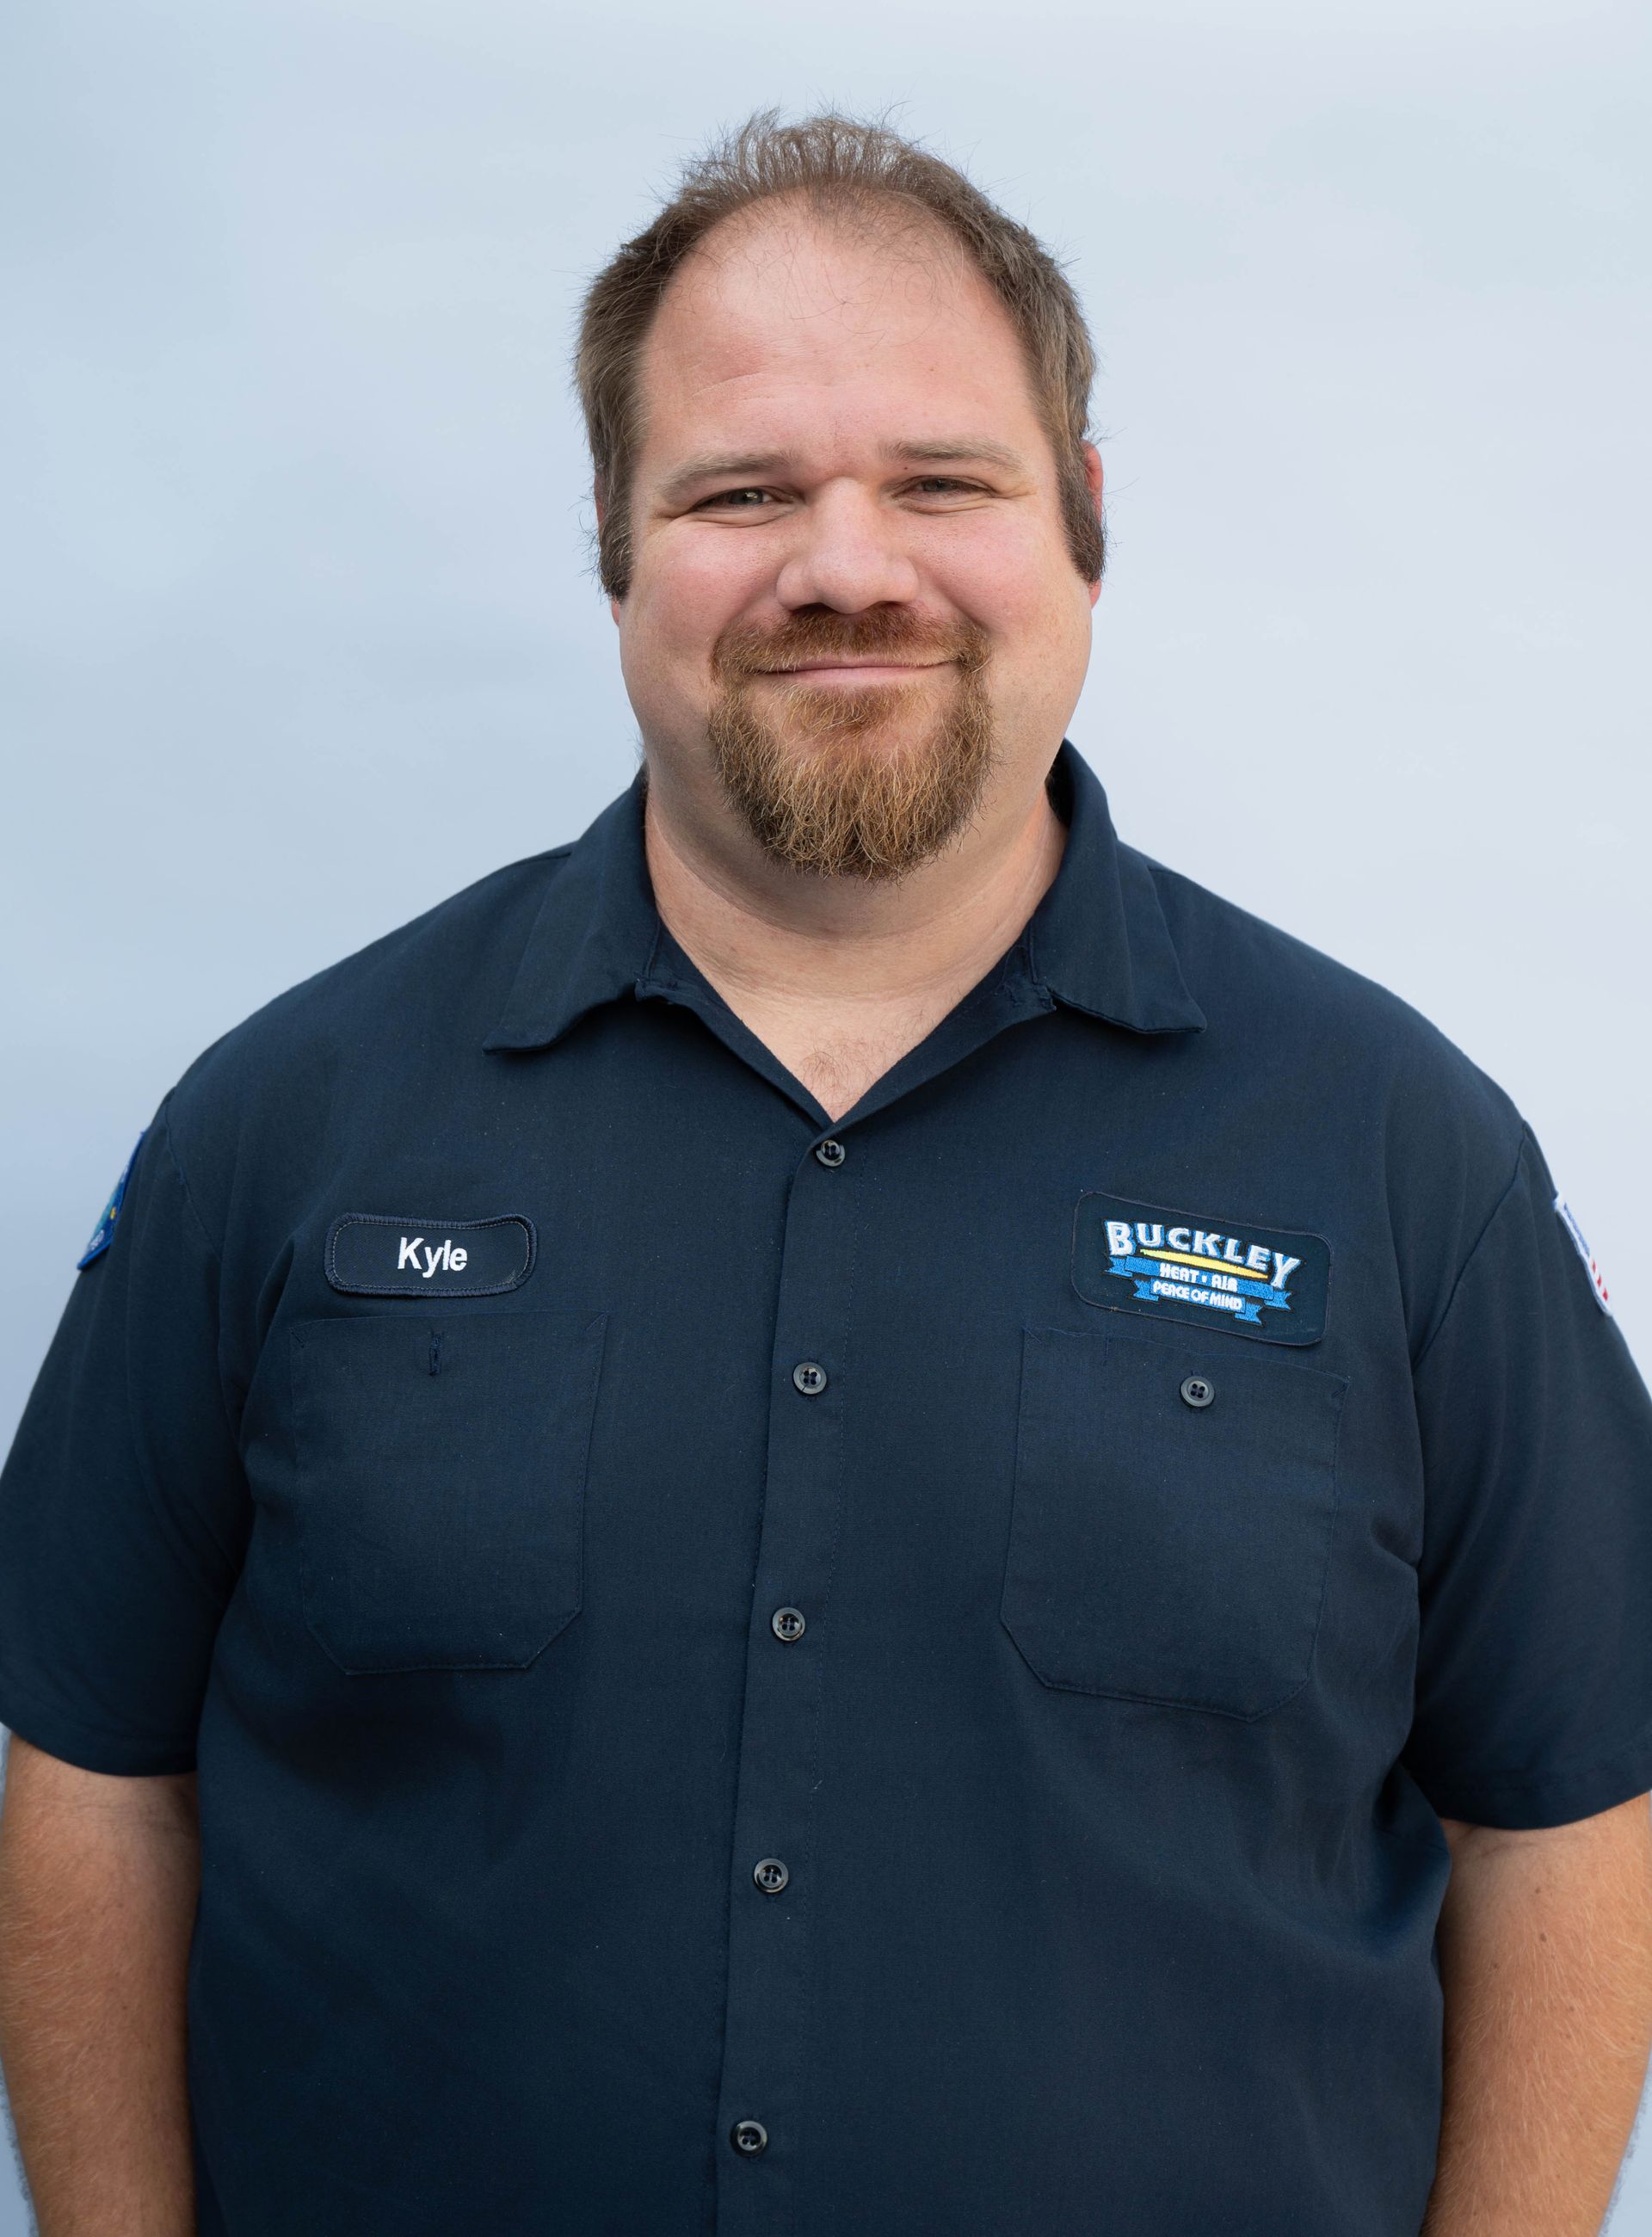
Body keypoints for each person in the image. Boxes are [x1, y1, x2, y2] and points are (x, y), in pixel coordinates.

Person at [1, 109, 1649, 2237]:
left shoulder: (1399, 1151)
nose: (844, 564)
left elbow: (1571, 1819)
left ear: (1083, 522)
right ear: (618, 545)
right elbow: (89, 1773)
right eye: (742, 490)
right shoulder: (288, 1123)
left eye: (941, 481)